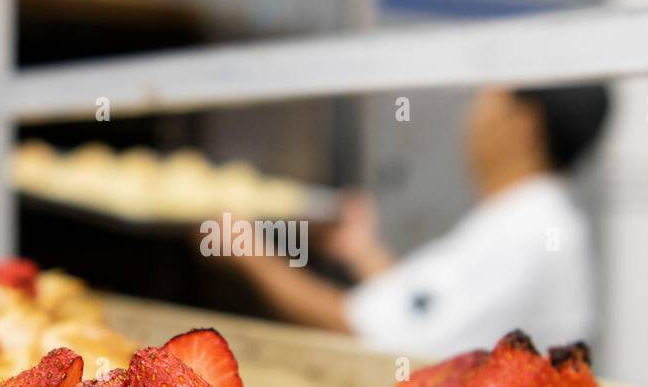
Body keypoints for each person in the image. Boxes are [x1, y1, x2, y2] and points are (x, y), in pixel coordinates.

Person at [230, 84, 610, 355]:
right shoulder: (523, 216)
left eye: (486, 99)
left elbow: (391, 342)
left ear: (521, 123)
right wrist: (361, 250)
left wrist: (248, 255)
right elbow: (421, 305)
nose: (471, 118)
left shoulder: (530, 231)